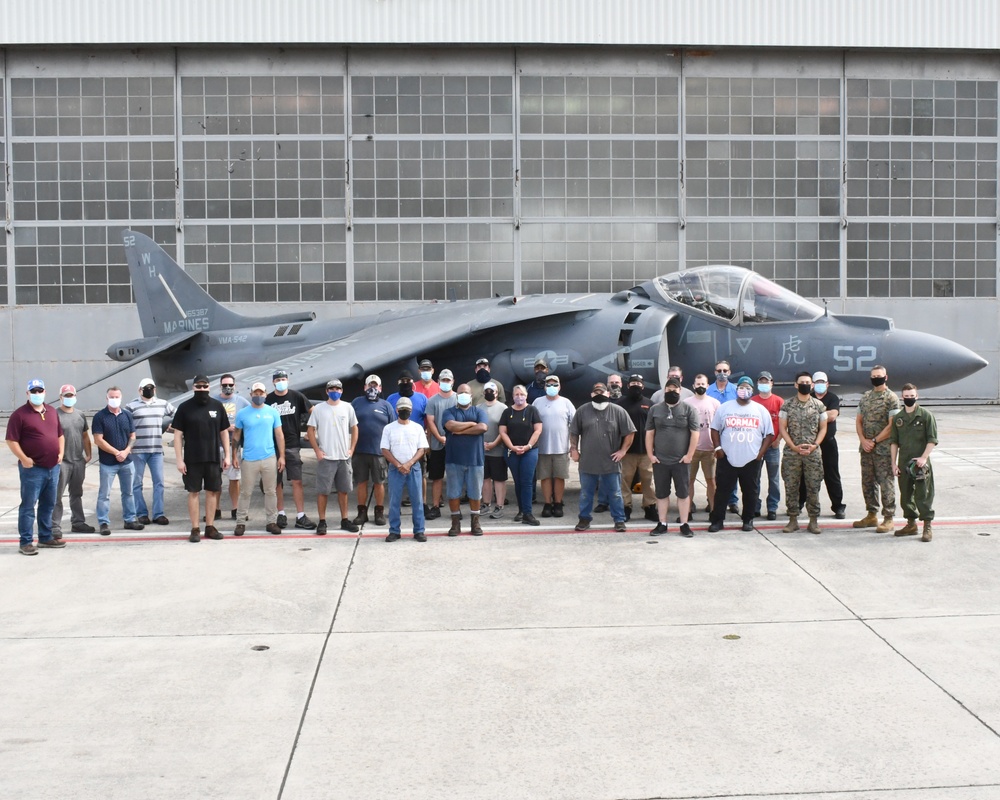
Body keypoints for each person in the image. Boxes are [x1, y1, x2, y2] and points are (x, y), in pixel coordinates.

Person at [6, 378, 67, 555]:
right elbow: (11, 440)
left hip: (53, 467)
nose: (37, 394)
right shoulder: (19, 415)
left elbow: (60, 435)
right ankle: (25, 542)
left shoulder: (52, 411)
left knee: (48, 504)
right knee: (28, 505)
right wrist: (24, 458)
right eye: (34, 391)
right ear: (28, 394)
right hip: (32, 469)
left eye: (40, 391)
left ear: (45, 392)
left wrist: (61, 453)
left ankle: (45, 537)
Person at [707, 376, 774, 533]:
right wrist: (718, 448)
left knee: (750, 491)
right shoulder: (725, 408)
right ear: (736, 390)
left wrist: (760, 454)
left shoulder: (760, 410)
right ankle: (717, 520)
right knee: (722, 491)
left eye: (747, 387)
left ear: (752, 390)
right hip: (727, 457)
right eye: (741, 387)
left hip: (751, 458)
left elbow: (769, 435)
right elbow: (715, 429)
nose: (744, 390)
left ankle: (748, 519)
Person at [569, 382, 636, 533]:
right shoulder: (582, 411)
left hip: (611, 462)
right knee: (586, 493)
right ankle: (584, 519)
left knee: (615, 493)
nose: (599, 394)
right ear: (592, 395)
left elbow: (630, 432)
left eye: (602, 392)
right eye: (596, 392)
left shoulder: (618, 411)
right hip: (588, 462)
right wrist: (573, 449)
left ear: (607, 394)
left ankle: (619, 520)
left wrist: (623, 451)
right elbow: (574, 431)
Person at [172, 374, 232, 542]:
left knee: (213, 491)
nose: (201, 389)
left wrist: (227, 455)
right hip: (192, 459)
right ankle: (195, 528)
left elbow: (224, 432)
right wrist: (179, 459)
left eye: (204, 386)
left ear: (209, 387)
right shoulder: (184, 408)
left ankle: (210, 527)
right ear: (193, 388)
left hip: (213, 458)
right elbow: (178, 435)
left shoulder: (217, 406)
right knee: (193, 492)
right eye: (198, 386)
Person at [645, 377, 699, 537]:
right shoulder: (655, 409)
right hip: (660, 461)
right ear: (664, 391)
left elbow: (695, 434)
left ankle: (684, 524)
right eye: (669, 390)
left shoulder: (689, 410)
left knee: (683, 493)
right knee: (661, 494)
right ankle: (662, 523)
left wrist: (689, 455)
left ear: (680, 391)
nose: (672, 392)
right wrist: (650, 455)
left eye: (675, 390)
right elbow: (649, 433)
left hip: (681, 461)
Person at [306, 378, 360, 535]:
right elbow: (310, 430)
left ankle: (344, 519)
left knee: (343, 490)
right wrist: (317, 450)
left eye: (337, 389)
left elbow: (355, 428)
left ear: (342, 391)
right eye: (331, 389)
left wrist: (351, 449)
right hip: (327, 457)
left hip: (343, 457)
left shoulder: (347, 408)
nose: (334, 391)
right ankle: (322, 521)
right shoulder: (319, 409)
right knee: (323, 491)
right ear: (327, 391)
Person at [266, 369, 317, 530]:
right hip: (272, 446)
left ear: (288, 380)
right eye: (278, 379)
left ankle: (300, 515)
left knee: (297, 481)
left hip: (292, 444)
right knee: (276, 483)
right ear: (273, 382)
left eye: (283, 378)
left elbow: (313, 412)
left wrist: (311, 431)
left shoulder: (296, 396)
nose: (281, 381)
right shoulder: (268, 399)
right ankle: (280, 513)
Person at [778, 371, 828, 534]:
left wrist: (815, 445)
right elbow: (782, 428)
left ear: (812, 384)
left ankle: (813, 521)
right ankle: (793, 519)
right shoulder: (787, 405)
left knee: (813, 486)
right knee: (791, 486)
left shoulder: (819, 405)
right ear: (796, 385)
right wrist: (792, 446)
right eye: (802, 382)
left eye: (808, 382)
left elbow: (823, 428)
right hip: (792, 453)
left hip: (812, 453)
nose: (805, 384)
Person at [233, 382, 285, 536]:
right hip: (249, 458)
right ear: (251, 394)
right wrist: (235, 455)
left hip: (269, 457)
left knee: (270, 491)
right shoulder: (243, 413)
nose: (258, 396)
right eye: (255, 393)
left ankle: (271, 521)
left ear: (265, 394)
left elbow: (279, 434)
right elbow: (236, 435)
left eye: (261, 393)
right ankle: (240, 522)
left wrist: (281, 456)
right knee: (245, 492)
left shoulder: (272, 412)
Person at [853, 365, 900, 533]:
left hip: (883, 449)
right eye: (873, 376)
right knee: (867, 482)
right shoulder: (866, 397)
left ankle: (888, 518)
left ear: (885, 377)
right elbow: (858, 421)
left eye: (879, 376)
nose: (876, 378)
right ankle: (871, 514)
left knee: (885, 482)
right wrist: (863, 440)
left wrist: (873, 440)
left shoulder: (891, 398)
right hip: (866, 448)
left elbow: (892, 425)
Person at [92, 386, 144, 536]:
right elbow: (98, 440)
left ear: (121, 398)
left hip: (127, 462)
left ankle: (130, 519)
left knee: (128, 493)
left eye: (117, 397)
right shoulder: (100, 417)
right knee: (104, 494)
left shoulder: (127, 415)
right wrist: (116, 452)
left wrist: (126, 452)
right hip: (108, 463)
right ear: (107, 398)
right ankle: (103, 522)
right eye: (111, 397)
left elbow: (133, 436)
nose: (114, 400)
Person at [890, 383, 937, 542]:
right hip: (904, 462)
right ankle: (911, 524)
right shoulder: (898, 418)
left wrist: (924, 458)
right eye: (906, 396)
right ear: (902, 397)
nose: (909, 399)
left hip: (921, 463)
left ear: (917, 396)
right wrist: (893, 464)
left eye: (912, 396)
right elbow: (894, 442)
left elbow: (932, 440)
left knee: (923, 495)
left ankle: (927, 526)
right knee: (906, 495)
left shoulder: (925, 416)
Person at [126, 377, 175, 526]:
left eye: (151, 387)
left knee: (159, 482)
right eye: (146, 387)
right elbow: (125, 424)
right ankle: (141, 514)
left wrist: (172, 427)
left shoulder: (163, 404)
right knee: (136, 483)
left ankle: (158, 514)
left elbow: (177, 414)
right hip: (137, 450)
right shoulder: (131, 406)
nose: (149, 390)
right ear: (139, 390)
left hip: (156, 450)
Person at [441, 384, 489, 536]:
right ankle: (455, 523)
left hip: (475, 459)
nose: (463, 395)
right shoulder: (449, 412)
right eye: (460, 393)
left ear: (471, 395)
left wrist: (460, 432)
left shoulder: (479, 411)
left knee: (475, 493)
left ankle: (475, 522)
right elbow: (450, 425)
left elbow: (482, 427)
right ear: (457, 395)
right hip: (454, 459)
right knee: (453, 492)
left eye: (466, 393)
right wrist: (470, 425)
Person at [380, 395, 429, 542]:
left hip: (413, 468)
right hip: (396, 469)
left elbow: (422, 448)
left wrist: (409, 463)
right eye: (401, 409)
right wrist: (398, 465)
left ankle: (419, 530)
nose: (404, 411)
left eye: (406, 409)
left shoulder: (417, 427)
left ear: (411, 410)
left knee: (417, 501)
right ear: (396, 410)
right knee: (394, 502)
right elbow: (384, 449)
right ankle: (394, 531)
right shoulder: (389, 428)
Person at [350, 374, 395, 526]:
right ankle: (362, 512)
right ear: (365, 387)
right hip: (360, 451)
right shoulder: (356, 403)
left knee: (379, 483)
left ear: (380, 388)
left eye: (375, 385)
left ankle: (379, 512)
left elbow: (392, 427)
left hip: (379, 452)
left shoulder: (386, 405)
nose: (372, 388)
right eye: (370, 385)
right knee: (361, 483)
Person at [52, 384, 95, 537]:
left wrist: (88, 454)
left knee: (76, 493)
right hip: (62, 461)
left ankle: (78, 522)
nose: (69, 398)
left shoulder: (80, 415)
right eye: (66, 395)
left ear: (75, 396)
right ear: (60, 397)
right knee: (57, 495)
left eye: (71, 395)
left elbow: (85, 436)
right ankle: (54, 526)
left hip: (78, 461)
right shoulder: (54, 414)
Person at [532, 374, 575, 518]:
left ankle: (558, 503)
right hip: (542, 447)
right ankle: (547, 503)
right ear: (544, 387)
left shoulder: (566, 403)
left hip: (561, 447)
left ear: (560, 386)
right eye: (548, 385)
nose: (551, 387)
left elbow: (574, 425)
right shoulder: (537, 402)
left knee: (559, 477)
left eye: (554, 385)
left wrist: (573, 446)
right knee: (544, 477)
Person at [500, 384, 543, 525]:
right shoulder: (507, 412)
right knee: (518, 482)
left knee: (527, 482)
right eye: (516, 394)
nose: (519, 397)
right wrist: (512, 447)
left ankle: (528, 513)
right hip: (512, 451)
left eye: (522, 394)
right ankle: (521, 510)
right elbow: (503, 432)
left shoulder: (532, 410)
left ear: (526, 396)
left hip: (529, 451)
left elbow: (538, 430)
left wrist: (528, 446)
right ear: (512, 397)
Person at [615, 373, 656, 522]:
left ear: (643, 386)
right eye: (632, 383)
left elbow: (654, 427)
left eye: (638, 384)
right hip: (627, 452)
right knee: (625, 481)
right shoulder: (620, 404)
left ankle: (650, 507)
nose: (635, 386)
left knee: (648, 481)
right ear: (627, 386)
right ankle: (626, 507)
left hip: (646, 451)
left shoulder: (650, 404)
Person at [807, 371, 847, 519]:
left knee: (832, 475)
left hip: (828, 443)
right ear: (812, 384)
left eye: (822, 382)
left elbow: (832, 415)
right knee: (807, 476)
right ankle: (800, 504)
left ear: (827, 384)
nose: (819, 385)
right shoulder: (808, 397)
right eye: (816, 382)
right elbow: (825, 416)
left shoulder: (832, 398)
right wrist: (824, 414)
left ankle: (838, 506)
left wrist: (813, 415)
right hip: (810, 443)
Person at [683, 374, 721, 518]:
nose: (700, 386)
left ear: (707, 386)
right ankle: (687, 511)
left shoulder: (715, 403)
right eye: (698, 384)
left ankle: (713, 511)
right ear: (693, 386)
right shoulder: (686, 403)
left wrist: (718, 447)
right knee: (689, 481)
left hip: (709, 450)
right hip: (691, 450)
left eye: (703, 384)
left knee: (711, 481)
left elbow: (719, 427)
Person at [214, 373, 249, 520]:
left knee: (235, 479)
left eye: (230, 385)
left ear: (235, 386)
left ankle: (235, 509)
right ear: (220, 386)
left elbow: (251, 416)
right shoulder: (214, 402)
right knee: (215, 480)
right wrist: (225, 427)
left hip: (233, 446)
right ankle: (215, 509)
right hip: (216, 446)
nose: (227, 388)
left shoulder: (241, 401)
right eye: (224, 385)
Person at [707, 360, 740, 514]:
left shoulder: (735, 390)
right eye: (719, 370)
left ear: (729, 372)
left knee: (733, 468)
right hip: (714, 436)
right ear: (714, 372)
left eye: (725, 370)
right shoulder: (708, 391)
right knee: (714, 471)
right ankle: (713, 500)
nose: (722, 373)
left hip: (732, 435)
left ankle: (732, 500)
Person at [424, 368, 457, 519]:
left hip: (455, 443)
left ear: (452, 382)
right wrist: (438, 437)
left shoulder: (458, 399)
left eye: (448, 380)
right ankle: (436, 506)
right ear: (438, 382)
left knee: (454, 477)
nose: (445, 383)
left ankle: (455, 508)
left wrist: (450, 438)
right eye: (443, 380)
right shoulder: (432, 401)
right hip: (437, 445)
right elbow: (430, 421)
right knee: (436, 477)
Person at [751, 371, 783, 520]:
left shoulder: (779, 401)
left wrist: (778, 440)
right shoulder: (752, 401)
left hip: (773, 447)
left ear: (772, 383)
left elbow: (784, 424)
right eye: (761, 381)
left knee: (774, 479)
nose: (764, 384)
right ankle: (755, 506)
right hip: (756, 447)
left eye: (767, 381)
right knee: (754, 478)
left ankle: (772, 507)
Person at [480, 380, 509, 519]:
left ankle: (499, 505)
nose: (490, 393)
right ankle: (486, 504)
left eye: (492, 391)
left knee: (499, 479)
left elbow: (504, 430)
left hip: (497, 449)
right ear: (483, 392)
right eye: (487, 391)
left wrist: (494, 444)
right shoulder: (478, 407)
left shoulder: (503, 408)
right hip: (481, 450)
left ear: (497, 393)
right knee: (485, 478)